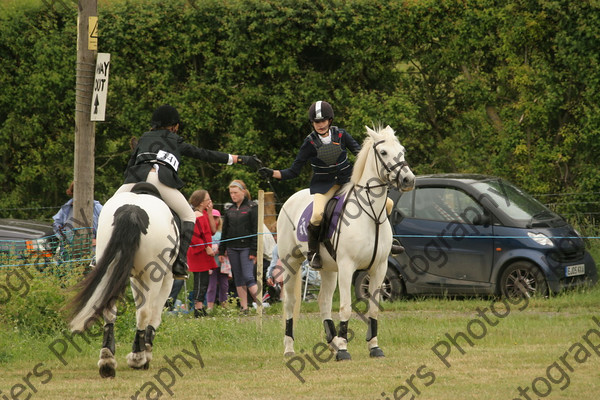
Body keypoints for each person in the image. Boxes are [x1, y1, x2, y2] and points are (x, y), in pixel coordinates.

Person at [113, 104, 260, 279]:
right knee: (189, 216)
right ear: (174, 126)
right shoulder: (175, 140)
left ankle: (100, 256)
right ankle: (179, 262)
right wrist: (239, 159)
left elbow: (130, 165)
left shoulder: (144, 138)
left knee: (110, 208)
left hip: (135, 179)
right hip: (160, 180)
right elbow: (205, 154)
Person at [218, 179, 261, 314]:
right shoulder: (229, 209)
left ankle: (260, 304)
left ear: (243, 192)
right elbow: (224, 231)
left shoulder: (252, 207)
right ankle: (244, 307)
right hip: (231, 248)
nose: (233, 195)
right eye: (231, 193)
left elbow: (256, 231)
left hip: (247, 248)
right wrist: (221, 250)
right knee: (238, 278)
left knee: (248, 277)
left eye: (235, 192)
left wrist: (254, 250)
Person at [52, 181, 103, 261]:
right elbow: (56, 224)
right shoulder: (66, 208)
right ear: (72, 193)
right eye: (78, 192)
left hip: (93, 254)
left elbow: (109, 227)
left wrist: (99, 241)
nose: (81, 195)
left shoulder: (97, 207)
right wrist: (64, 238)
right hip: (69, 254)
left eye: (84, 192)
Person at [187, 189, 218, 317]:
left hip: (205, 252)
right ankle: (197, 308)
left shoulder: (204, 213)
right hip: (198, 252)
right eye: (208, 199)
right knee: (200, 280)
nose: (210, 202)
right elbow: (195, 237)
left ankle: (200, 307)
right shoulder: (195, 215)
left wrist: (210, 213)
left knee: (204, 280)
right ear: (200, 202)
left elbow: (212, 231)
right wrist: (206, 247)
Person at [206, 209, 231, 311]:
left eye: (216, 218)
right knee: (211, 286)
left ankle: (224, 305)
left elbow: (227, 245)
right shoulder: (208, 233)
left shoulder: (222, 233)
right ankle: (210, 306)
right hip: (211, 263)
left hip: (223, 263)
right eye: (212, 218)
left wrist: (221, 250)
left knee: (224, 285)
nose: (214, 220)